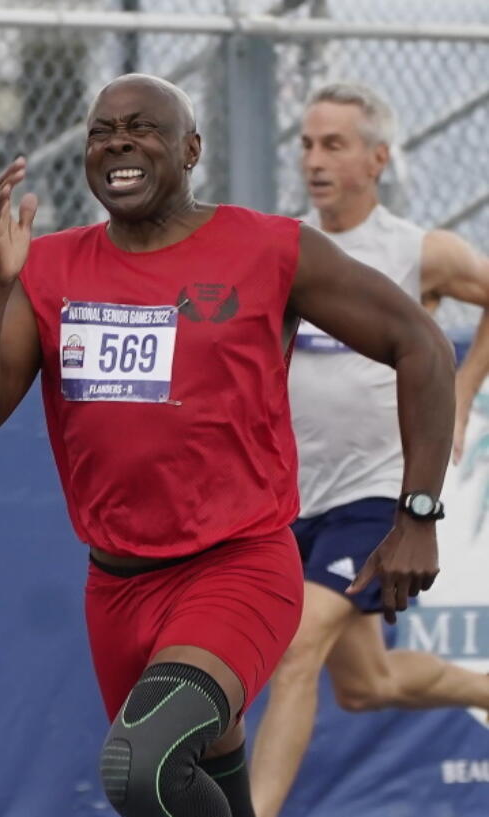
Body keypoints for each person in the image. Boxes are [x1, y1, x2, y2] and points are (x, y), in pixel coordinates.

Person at [0, 73, 454, 817]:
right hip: (116, 588)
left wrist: (419, 513)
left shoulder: (269, 248)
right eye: (101, 131)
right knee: (195, 786)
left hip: (237, 568)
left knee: (140, 767)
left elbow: (421, 345)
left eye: (142, 128)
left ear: (190, 150)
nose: (118, 141)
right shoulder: (48, 268)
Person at [248, 81, 489, 817]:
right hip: (292, 498)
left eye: (335, 144)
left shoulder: (418, 251)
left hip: (378, 496)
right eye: (307, 144)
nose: (315, 160)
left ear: (378, 158)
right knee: (366, 685)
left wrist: (465, 388)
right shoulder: (284, 247)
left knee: (295, 648)